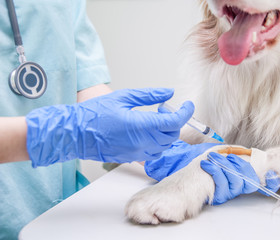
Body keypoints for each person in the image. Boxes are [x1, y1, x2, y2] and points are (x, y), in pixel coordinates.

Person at [0, 1, 216, 239]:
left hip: (63, 216)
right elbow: (82, 125)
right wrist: (57, 134)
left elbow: (83, 82)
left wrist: (160, 151)